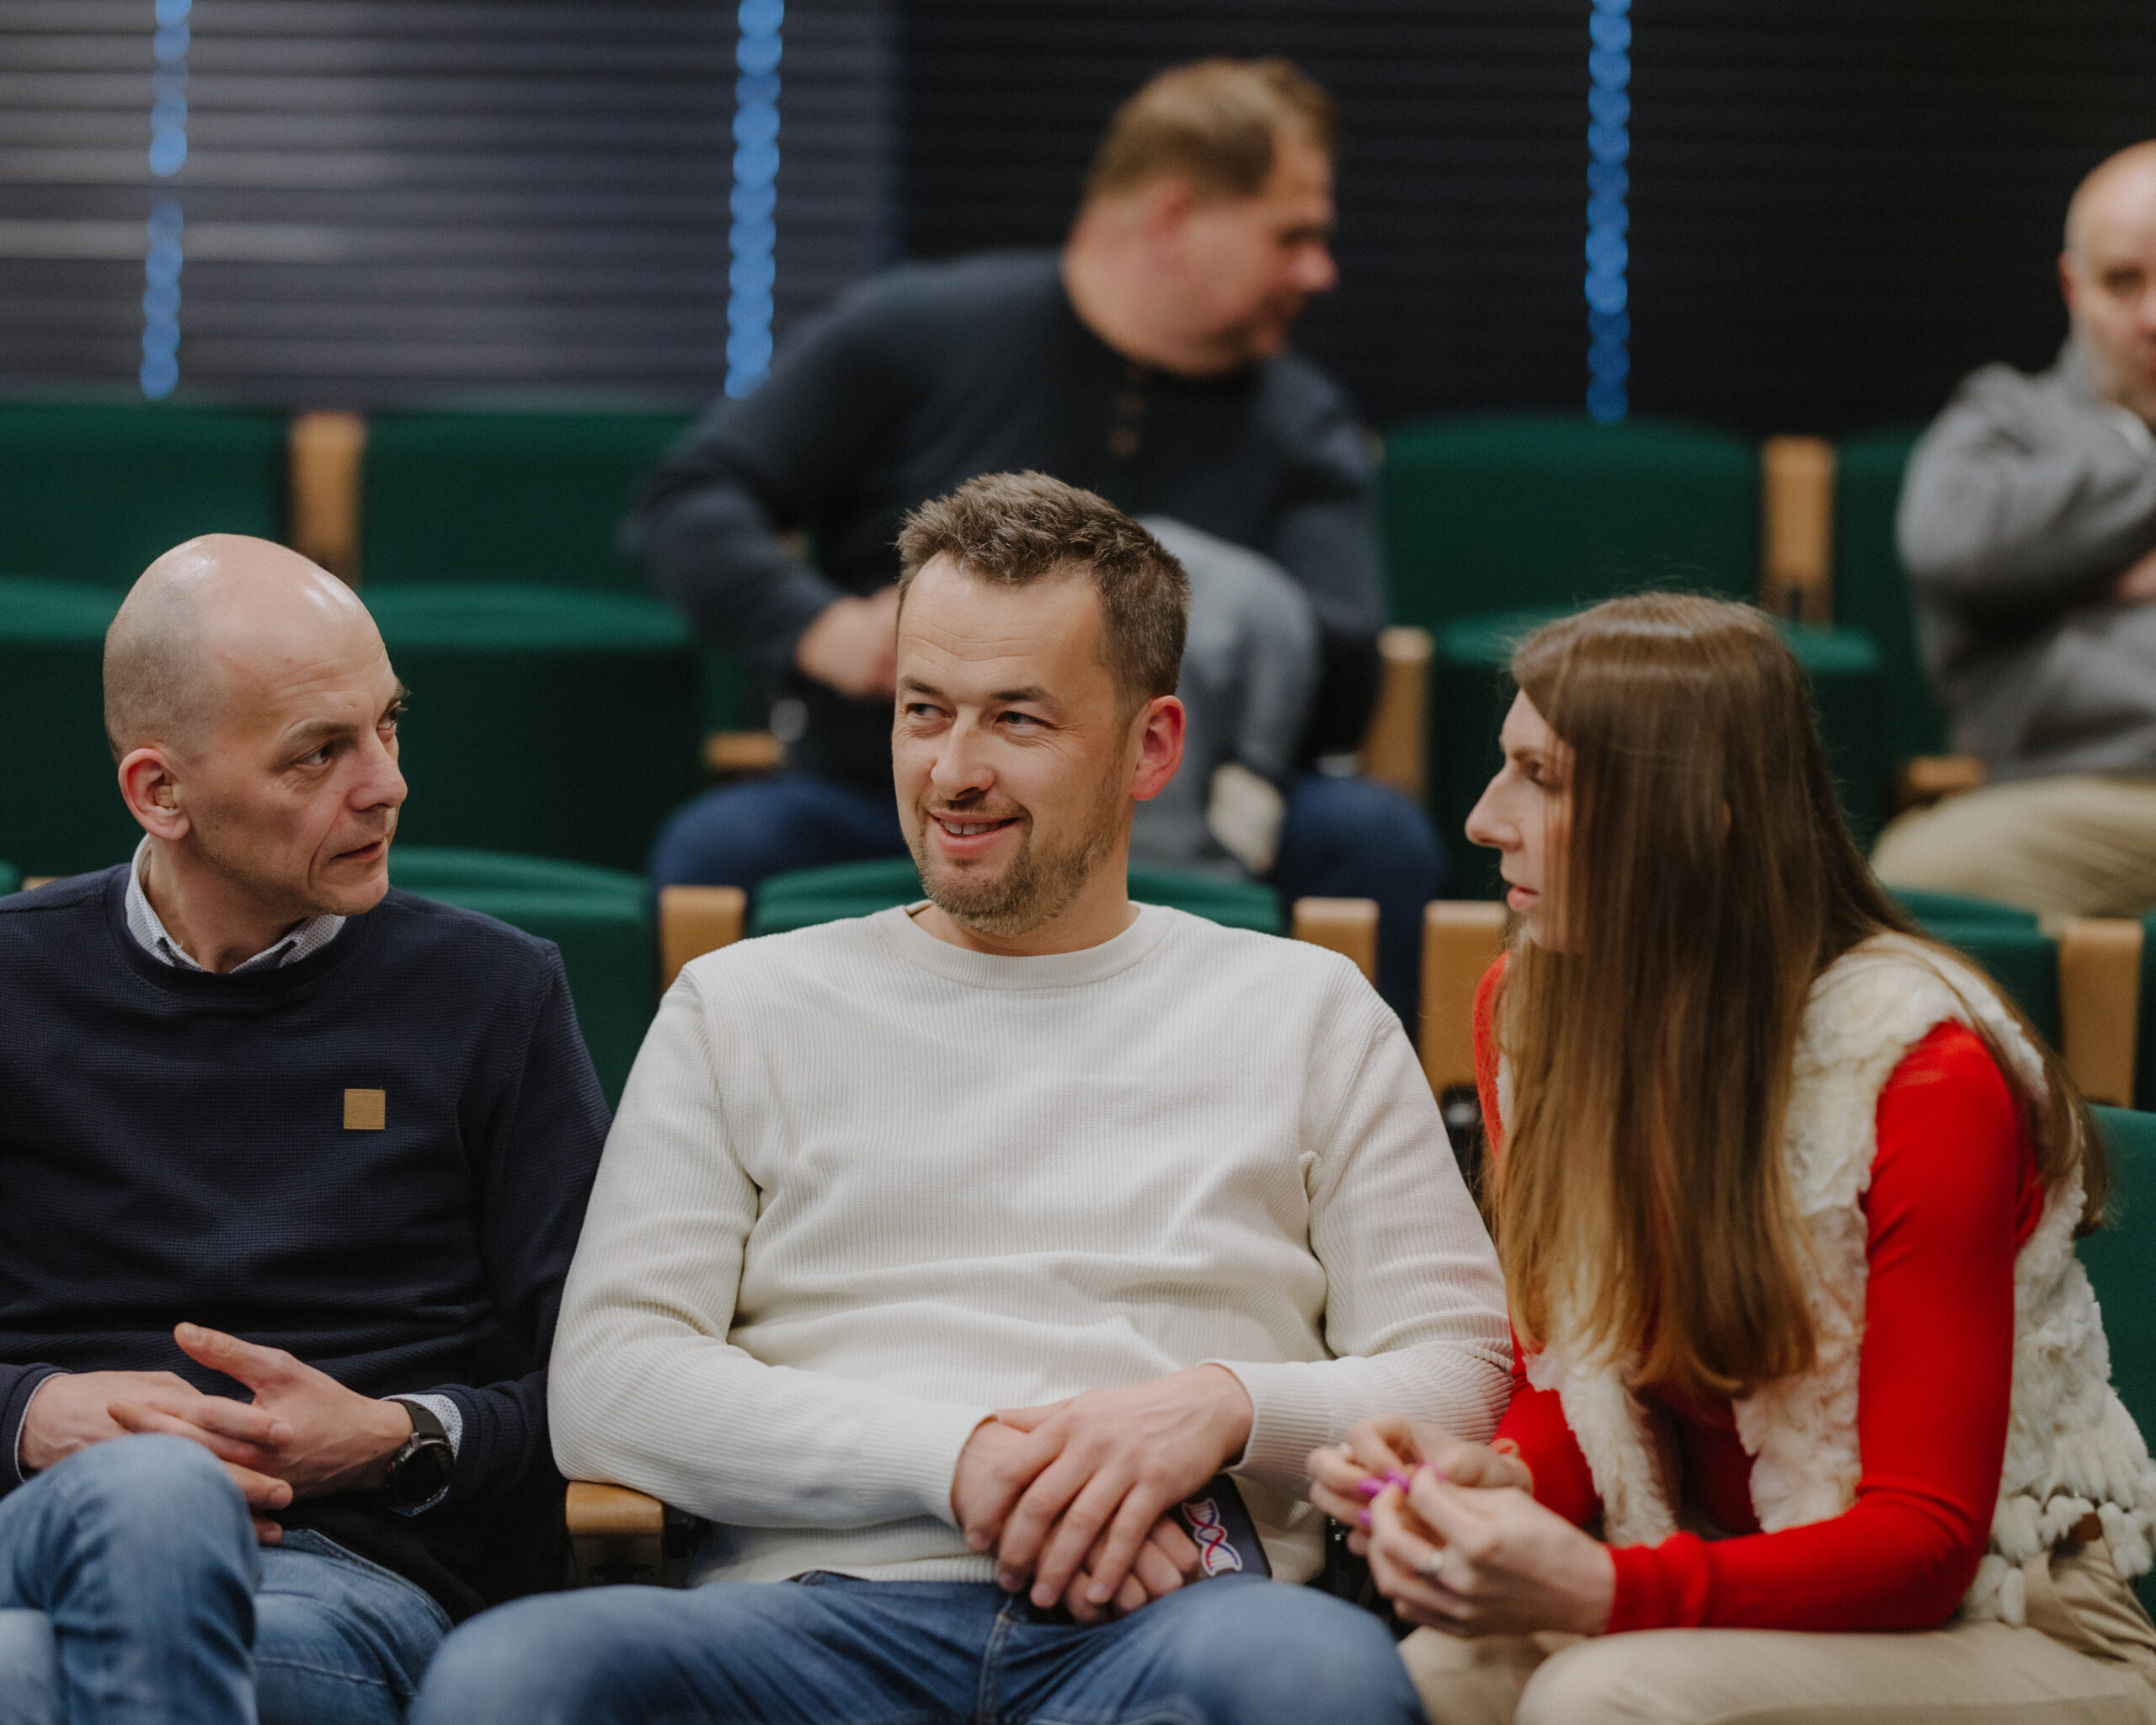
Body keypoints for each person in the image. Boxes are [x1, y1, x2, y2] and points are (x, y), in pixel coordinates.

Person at [414, 473, 1509, 1725]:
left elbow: (1465, 1365)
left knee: (1319, 1683)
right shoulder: (742, 1004)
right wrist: (962, 1463)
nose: (953, 770)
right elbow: (611, 1381)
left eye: (1018, 720)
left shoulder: (1306, 1009)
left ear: (1152, 747)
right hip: (814, 1611)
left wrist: (1222, 1408)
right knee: (514, 1675)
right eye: (923, 710)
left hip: (1183, 1612)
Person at [1303, 593, 2156, 1724]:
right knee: (1418, 1683)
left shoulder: (1921, 1069)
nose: (1482, 818)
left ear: (1693, 817)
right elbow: (1579, 1386)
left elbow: (1924, 1545)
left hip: (2012, 1619)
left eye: (1540, 778)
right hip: (1730, 1576)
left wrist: (1606, 1589)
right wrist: (1497, 1478)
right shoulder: (1535, 1011)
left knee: (1603, 1696)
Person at [632, 56, 1442, 1021]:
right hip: (895, 800)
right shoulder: (917, 331)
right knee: (718, 849)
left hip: (1185, 817)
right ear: (1174, 219)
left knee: (1375, 840)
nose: (1318, 272)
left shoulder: (1302, 420)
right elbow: (687, 500)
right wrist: (823, 629)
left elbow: (1346, 662)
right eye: (1292, 236)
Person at [0, 536, 607, 1724]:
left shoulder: (491, 995)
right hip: (38, 1536)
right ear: (159, 792)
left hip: (337, 1580)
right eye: (318, 752)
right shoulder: (13, 984)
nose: (385, 785)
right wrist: (27, 1413)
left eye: (388, 725)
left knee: (26, 1676)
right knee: (151, 1497)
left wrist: (397, 1437)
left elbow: (616, 1377)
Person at [1877, 140, 2156, 919]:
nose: (2154, 318)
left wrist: (2077, 561)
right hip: (2081, 801)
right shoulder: (2008, 417)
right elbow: (1951, 543)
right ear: (2074, 287)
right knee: (1919, 872)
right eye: (2124, 281)